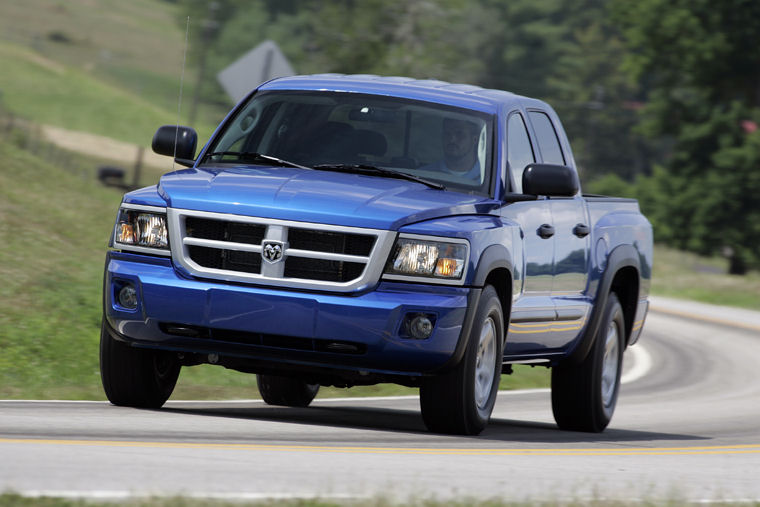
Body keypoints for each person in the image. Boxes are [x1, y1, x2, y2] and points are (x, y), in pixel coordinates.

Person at [421, 117, 481, 181]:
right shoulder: (423, 176)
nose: (452, 140)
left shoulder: (487, 178)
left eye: (459, 133)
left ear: (475, 139)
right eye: (447, 133)